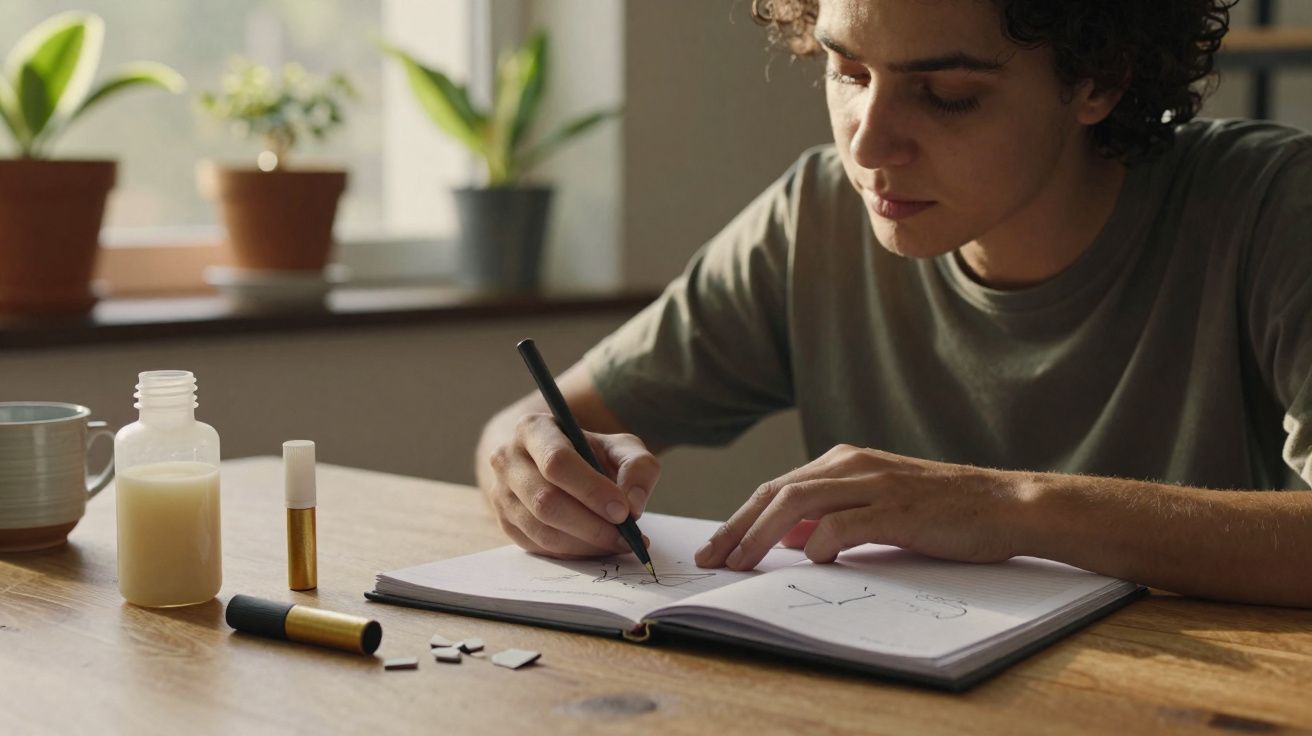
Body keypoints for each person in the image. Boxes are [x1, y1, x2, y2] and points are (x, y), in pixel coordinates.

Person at [475, 0, 1312, 608]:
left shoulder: (1273, 210)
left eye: (946, 93)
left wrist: (1011, 508)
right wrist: (528, 466)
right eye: (847, 71)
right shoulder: (815, 218)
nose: (868, 144)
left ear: (1098, 80)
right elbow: (541, 421)